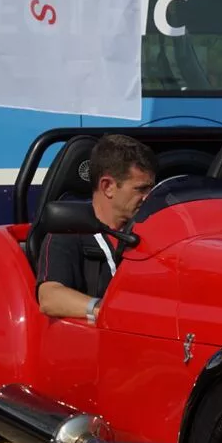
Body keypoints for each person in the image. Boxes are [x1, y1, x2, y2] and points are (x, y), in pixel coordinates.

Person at [37, 134, 157, 323]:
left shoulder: (151, 230)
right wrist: (105, 310)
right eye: (141, 189)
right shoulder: (69, 232)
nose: (148, 197)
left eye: (152, 189)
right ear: (107, 186)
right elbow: (50, 297)